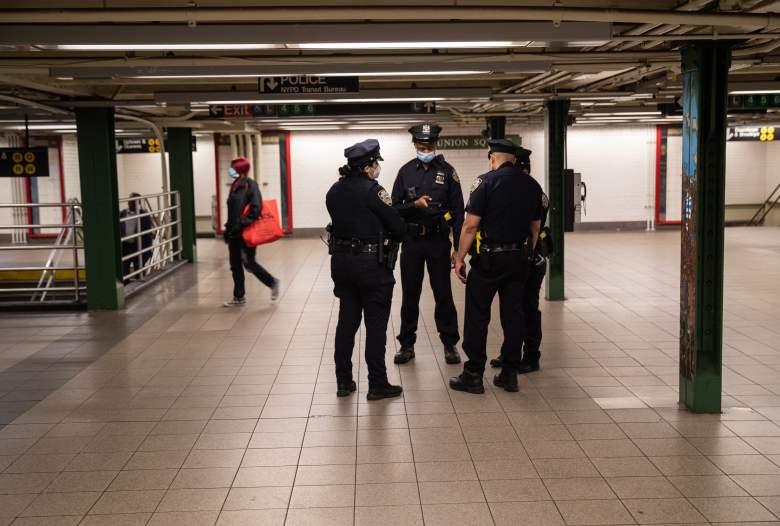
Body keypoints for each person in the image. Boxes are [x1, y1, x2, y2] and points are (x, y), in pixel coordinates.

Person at [450, 139, 543, 394]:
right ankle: (510, 373)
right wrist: (528, 253)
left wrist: (460, 257)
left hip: (489, 260)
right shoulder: (532, 185)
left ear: (492, 157)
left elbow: (470, 225)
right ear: (514, 160)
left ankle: (474, 374)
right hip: (519, 260)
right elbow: (535, 227)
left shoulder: (486, 182)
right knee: (514, 315)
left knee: (478, 314)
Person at [326, 139, 407, 400]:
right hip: (371, 266)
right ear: (368, 165)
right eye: (375, 164)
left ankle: (343, 381)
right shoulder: (374, 191)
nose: (376, 168)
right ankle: (377, 383)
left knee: (346, 324)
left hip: (341, 264)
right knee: (375, 326)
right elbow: (397, 226)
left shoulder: (334, 190)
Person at [391, 123, 464, 365]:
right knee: (410, 294)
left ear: (436, 145)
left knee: (443, 293)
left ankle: (450, 344)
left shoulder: (448, 172)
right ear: (414, 146)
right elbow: (394, 209)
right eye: (421, 146)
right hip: (412, 242)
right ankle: (406, 344)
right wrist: (415, 206)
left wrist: (458, 249)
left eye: (429, 146)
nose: (425, 149)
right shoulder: (405, 172)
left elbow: (458, 212)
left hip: (438, 242)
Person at [491, 148, 551, 374]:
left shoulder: (533, 192)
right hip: (518, 258)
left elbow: (530, 227)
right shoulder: (526, 189)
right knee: (512, 308)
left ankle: (531, 355)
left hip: (531, 259)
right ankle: (510, 353)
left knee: (527, 308)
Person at [223, 156, 280, 306]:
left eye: (233, 168)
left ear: (239, 170)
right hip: (233, 233)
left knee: (249, 263)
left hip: (245, 233)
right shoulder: (235, 185)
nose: (230, 170)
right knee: (235, 265)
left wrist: (242, 223)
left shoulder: (250, 185)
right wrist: (227, 228)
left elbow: (256, 208)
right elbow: (232, 210)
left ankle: (272, 282)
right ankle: (239, 297)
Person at [119, 192, 153, 282]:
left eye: (133, 202)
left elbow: (148, 234)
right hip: (125, 246)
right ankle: (126, 291)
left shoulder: (144, 215)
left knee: (139, 271)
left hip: (138, 246)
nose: (131, 204)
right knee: (124, 272)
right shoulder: (122, 214)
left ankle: (142, 290)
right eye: (129, 202)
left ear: (138, 203)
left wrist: (147, 250)